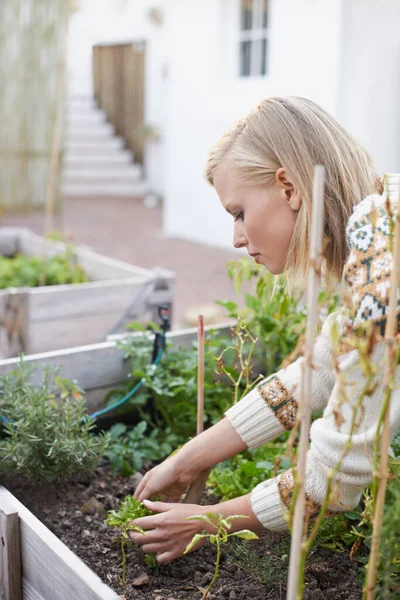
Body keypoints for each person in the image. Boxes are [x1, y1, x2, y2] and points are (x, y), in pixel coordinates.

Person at [130, 96, 400, 564]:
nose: (236, 238)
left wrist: (208, 521)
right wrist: (191, 457)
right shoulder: (381, 225)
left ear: (290, 188)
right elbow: (322, 370)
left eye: (238, 212)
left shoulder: (383, 254)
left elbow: (333, 481)